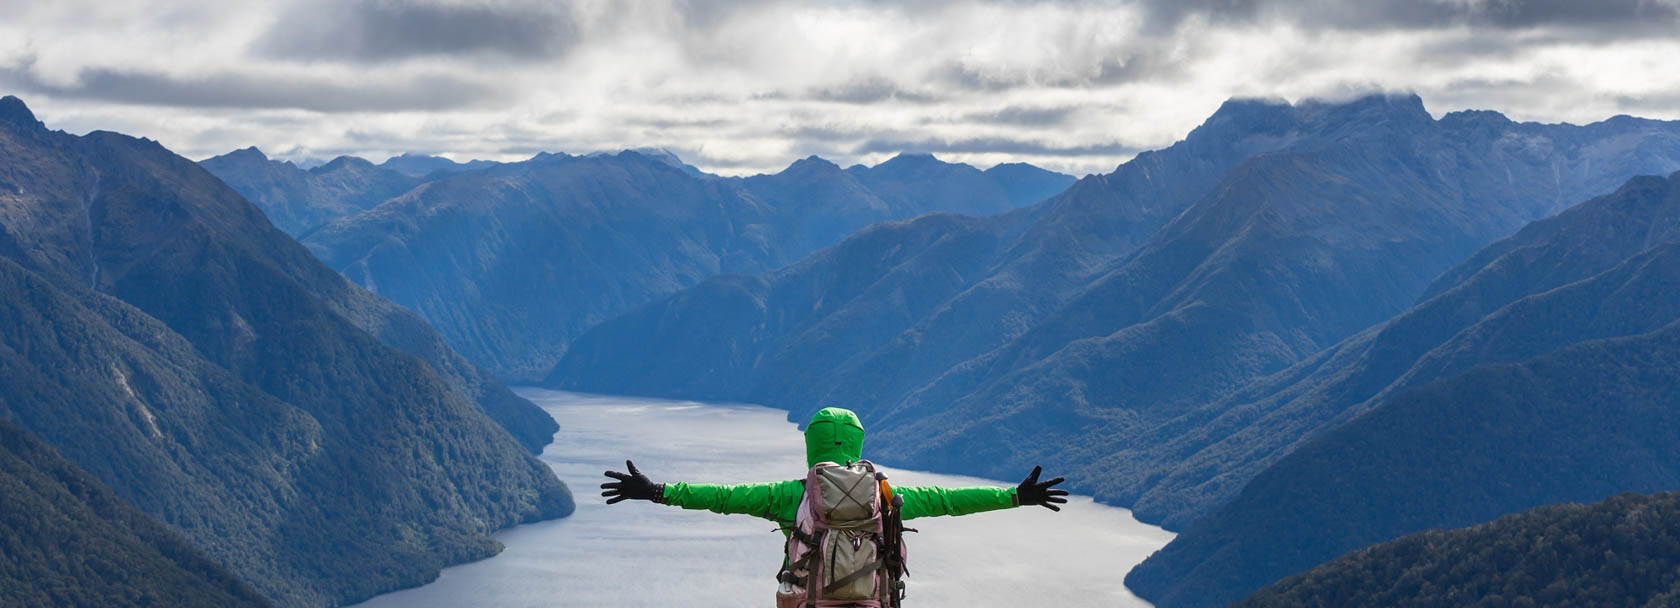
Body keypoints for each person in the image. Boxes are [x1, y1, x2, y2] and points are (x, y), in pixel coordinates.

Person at [600, 406, 1068, 604]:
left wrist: (657, 490)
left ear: (812, 447)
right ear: (858, 444)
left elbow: (721, 497)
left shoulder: (790, 496)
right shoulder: (887, 497)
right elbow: (950, 500)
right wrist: (1014, 496)